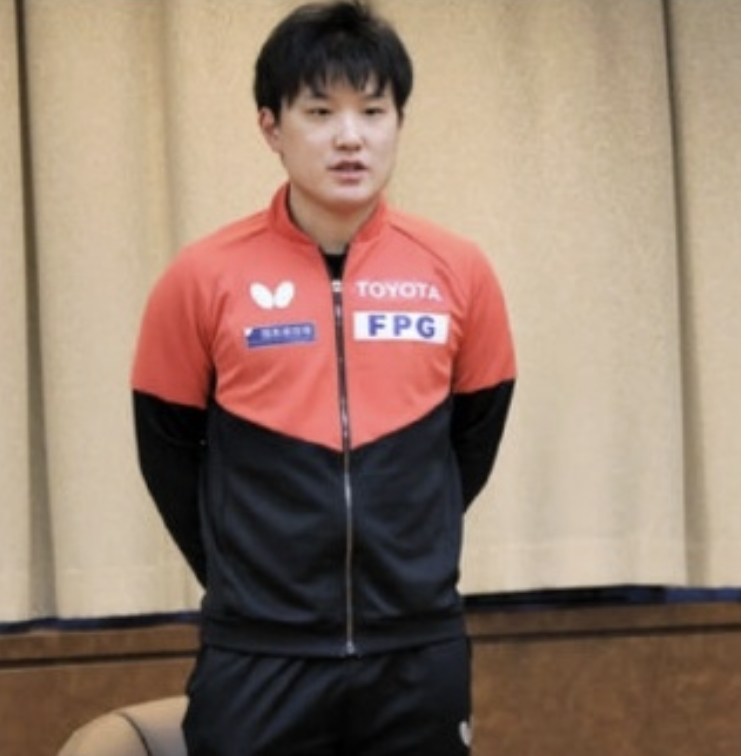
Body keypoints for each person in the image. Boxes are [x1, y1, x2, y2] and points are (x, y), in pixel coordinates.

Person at [130, 2, 516, 754]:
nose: (350, 136)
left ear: (399, 122)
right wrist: (249, 577)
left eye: (373, 111)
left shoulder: (459, 271)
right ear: (271, 127)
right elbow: (166, 454)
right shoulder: (201, 278)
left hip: (417, 649)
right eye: (319, 111)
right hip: (258, 655)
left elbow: (471, 442)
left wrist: (402, 549)